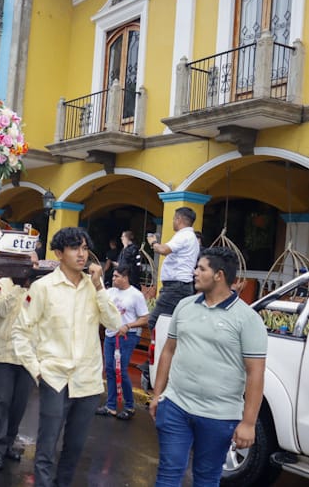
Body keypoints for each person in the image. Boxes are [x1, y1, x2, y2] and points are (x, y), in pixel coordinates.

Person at [12, 227, 121, 487]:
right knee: (47, 448)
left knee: (74, 449)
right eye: (75, 248)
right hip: (54, 377)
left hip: (87, 380)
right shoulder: (43, 288)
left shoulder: (93, 288)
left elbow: (114, 322)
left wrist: (99, 287)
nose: (82, 254)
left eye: (85, 248)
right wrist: (36, 370)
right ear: (59, 253)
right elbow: (21, 331)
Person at [150, 247, 267, 486]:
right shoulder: (185, 306)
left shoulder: (248, 319)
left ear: (219, 275)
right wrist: (158, 394)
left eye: (201, 268)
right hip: (176, 407)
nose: (194, 273)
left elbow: (255, 372)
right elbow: (168, 351)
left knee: (206, 478)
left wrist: (248, 423)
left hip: (219, 416)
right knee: (168, 472)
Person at [0, 259, 38, 470]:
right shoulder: (4, 282)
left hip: (27, 356)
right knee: (0, 404)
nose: (30, 267)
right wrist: (19, 285)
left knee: (18, 405)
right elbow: (1, 309)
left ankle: (7, 444)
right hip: (2, 354)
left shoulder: (40, 288)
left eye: (33, 263)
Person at [95, 264, 149, 420]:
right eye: (113, 276)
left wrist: (128, 325)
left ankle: (129, 406)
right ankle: (111, 406)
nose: (113, 279)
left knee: (122, 371)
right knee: (110, 369)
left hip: (127, 337)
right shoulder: (110, 292)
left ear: (125, 278)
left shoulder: (136, 295)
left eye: (116, 276)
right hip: (111, 335)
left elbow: (144, 318)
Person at [147, 207, 200, 330]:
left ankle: (163, 349)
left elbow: (163, 250)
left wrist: (153, 242)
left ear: (179, 219)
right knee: (172, 324)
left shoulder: (184, 235)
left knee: (155, 322)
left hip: (176, 287)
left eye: (174, 219)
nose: (173, 222)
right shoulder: (190, 236)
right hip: (180, 286)